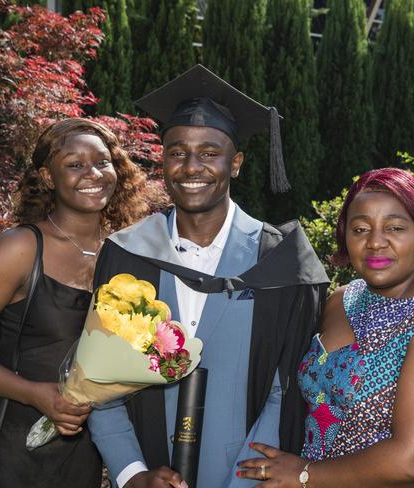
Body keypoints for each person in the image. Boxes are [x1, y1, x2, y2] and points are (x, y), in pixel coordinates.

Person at [87, 64, 330, 488]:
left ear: (235, 164)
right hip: (148, 469)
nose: (191, 166)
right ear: (163, 161)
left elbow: (285, 388)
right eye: (177, 152)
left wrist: (248, 481)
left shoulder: (280, 262)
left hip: (243, 478)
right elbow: (100, 378)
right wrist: (132, 474)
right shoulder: (129, 255)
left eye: (209, 153)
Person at [238, 168, 414, 487]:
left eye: (395, 227)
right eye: (360, 228)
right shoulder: (342, 300)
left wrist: (306, 474)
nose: (376, 242)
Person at [0, 118, 150, 487]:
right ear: (48, 176)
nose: (93, 173)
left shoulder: (126, 257)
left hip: (86, 456)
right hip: (9, 450)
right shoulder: (20, 249)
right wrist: (33, 394)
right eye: (74, 164)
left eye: (103, 162)